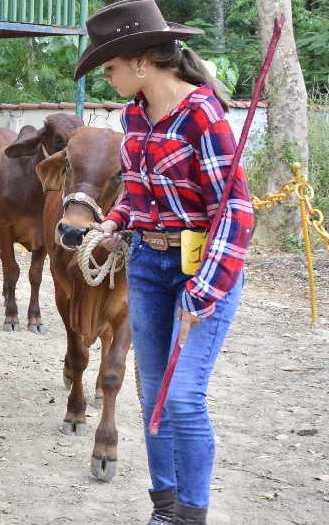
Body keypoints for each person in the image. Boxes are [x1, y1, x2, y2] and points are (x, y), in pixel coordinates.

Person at [75, 1, 254, 524]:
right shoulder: (134, 113)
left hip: (204, 271)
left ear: (138, 61)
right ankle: (165, 506)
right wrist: (114, 221)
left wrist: (205, 290)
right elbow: (142, 194)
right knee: (153, 392)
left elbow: (236, 212)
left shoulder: (204, 114)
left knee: (182, 397)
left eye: (108, 67)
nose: (107, 78)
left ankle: (191, 515)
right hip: (149, 267)